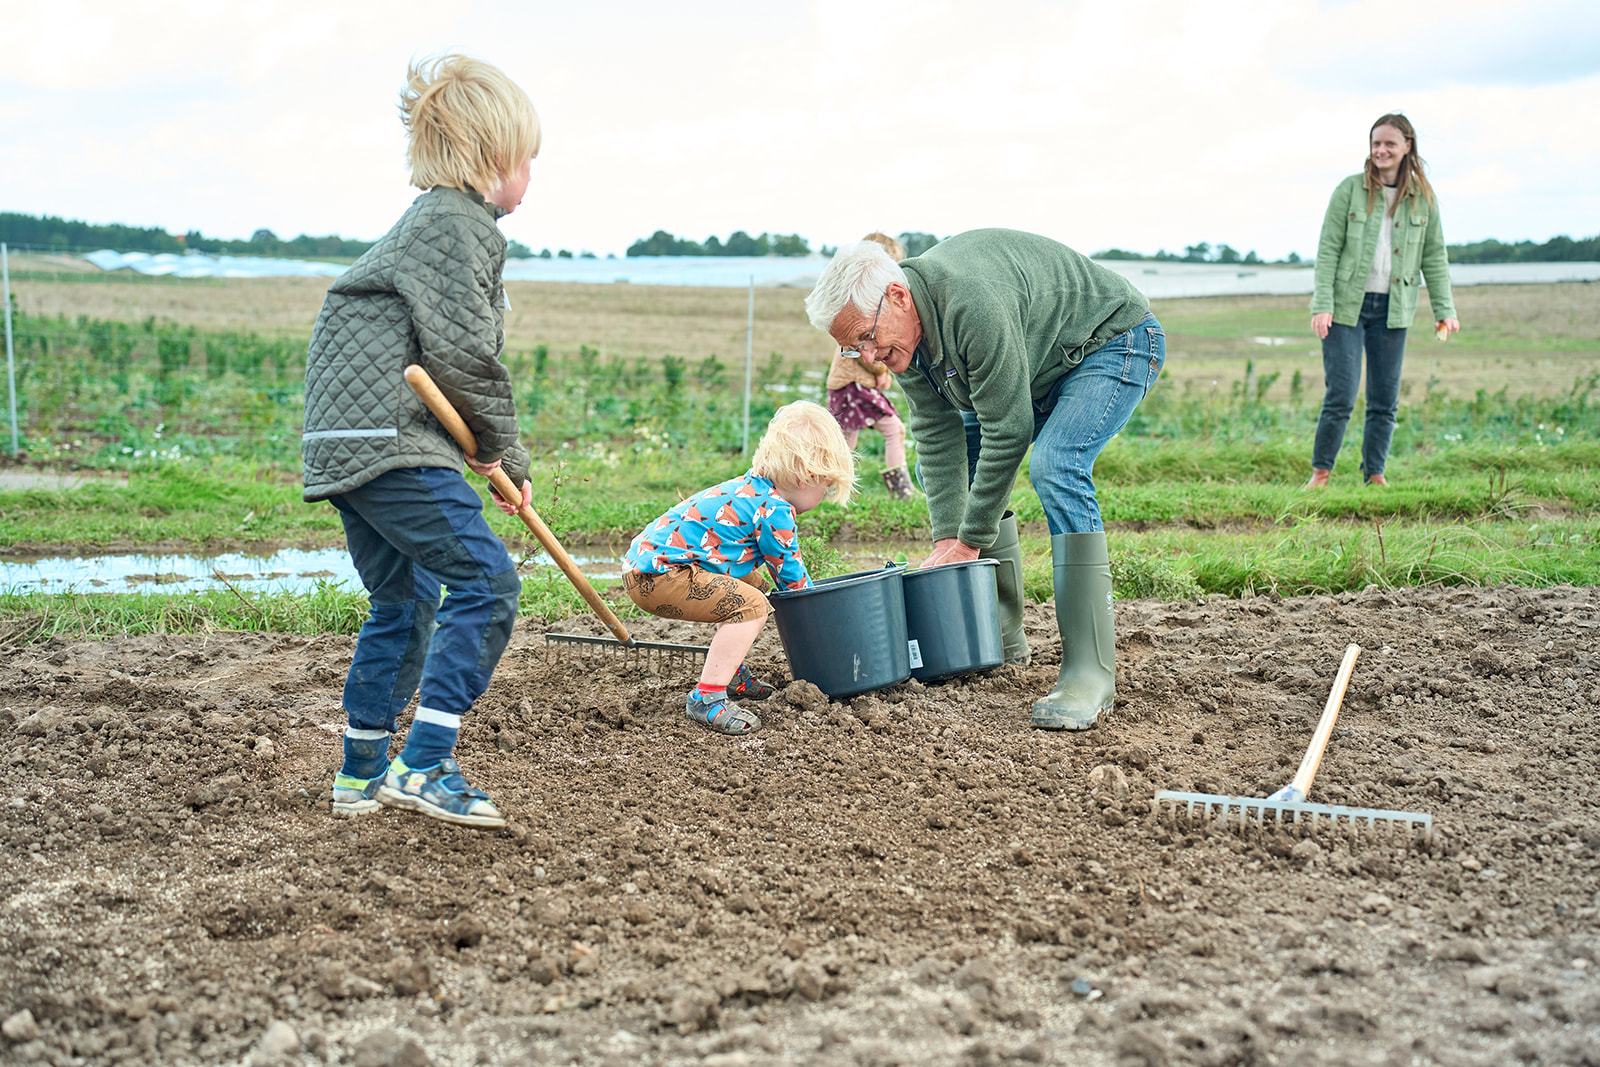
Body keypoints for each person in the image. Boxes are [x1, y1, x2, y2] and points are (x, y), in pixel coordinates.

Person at [302, 54, 540, 829]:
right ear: (490, 158)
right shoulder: (454, 222)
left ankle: (362, 769)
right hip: (390, 440)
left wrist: (487, 449)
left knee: (405, 600)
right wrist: (504, 452)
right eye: (527, 157)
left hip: (347, 444)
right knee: (487, 580)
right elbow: (465, 356)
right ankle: (428, 763)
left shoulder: (427, 224)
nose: (531, 173)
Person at [805, 230, 1163, 731]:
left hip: (1111, 342)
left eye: (866, 337)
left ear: (898, 297)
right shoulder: (904, 337)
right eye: (851, 346)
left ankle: (1091, 672)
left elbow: (1009, 429)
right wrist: (948, 536)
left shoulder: (970, 302)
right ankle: (998, 638)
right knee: (964, 471)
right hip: (1037, 363)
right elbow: (935, 430)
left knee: (1056, 464)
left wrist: (970, 542)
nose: (867, 356)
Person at [622, 401, 856, 735]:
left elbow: (739, 562)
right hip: (660, 576)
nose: (825, 495)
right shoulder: (775, 510)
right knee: (753, 605)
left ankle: (729, 671)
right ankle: (707, 697)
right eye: (826, 487)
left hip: (647, 567)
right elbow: (794, 582)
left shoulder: (750, 489)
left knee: (755, 587)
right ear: (807, 477)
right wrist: (828, 628)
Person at [1308, 112, 1458, 488]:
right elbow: (1328, 250)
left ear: (1408, 146)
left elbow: (1434, 257)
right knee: (1341, 394)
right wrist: (1321, 303)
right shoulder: (1349, 190)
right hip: (1345, 307)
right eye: (1376, 143)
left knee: (1384, 400)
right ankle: (1321, 473)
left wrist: (1445, 311)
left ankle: (1374, 475)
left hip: (1394, 310)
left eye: (1390, 143)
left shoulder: (1423, 199)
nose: (1381, 150)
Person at [826, 232, 916, 500]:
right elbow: (861, 349)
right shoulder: (865, 302)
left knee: (846, 440)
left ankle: (833, 491)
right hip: (853, 383)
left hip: (846, 384)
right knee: (893, 429)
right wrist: (880, 372)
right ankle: (901, 491)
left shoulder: (856, 297)